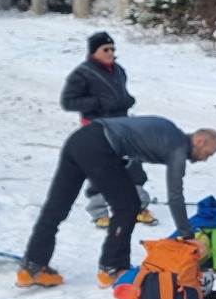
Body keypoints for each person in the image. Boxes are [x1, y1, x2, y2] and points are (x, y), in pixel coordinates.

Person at [18, 117, 216, 289]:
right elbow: (175, 195)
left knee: (57, 205)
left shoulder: (168, 130)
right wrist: (187, 235)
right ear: (200, 141)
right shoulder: (178, 147)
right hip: (99, 146)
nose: (206, 160)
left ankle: (32, 267)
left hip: (80, 138)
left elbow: (132, 137)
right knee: (129, 205)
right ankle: (112, 268)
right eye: (209, 154)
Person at [59, 31, 155, 228]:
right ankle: (99, 212)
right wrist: (98, 103)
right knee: (101, 169)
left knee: (133, 166)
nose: (111, 52)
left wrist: (128, 100)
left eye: (112, 49)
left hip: (123, 125)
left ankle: (140, 206)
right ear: (95, 51)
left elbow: (121, 96)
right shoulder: (82, 73)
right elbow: (68, 102)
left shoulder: (118, 70)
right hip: (97, 129)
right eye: (106, 49)